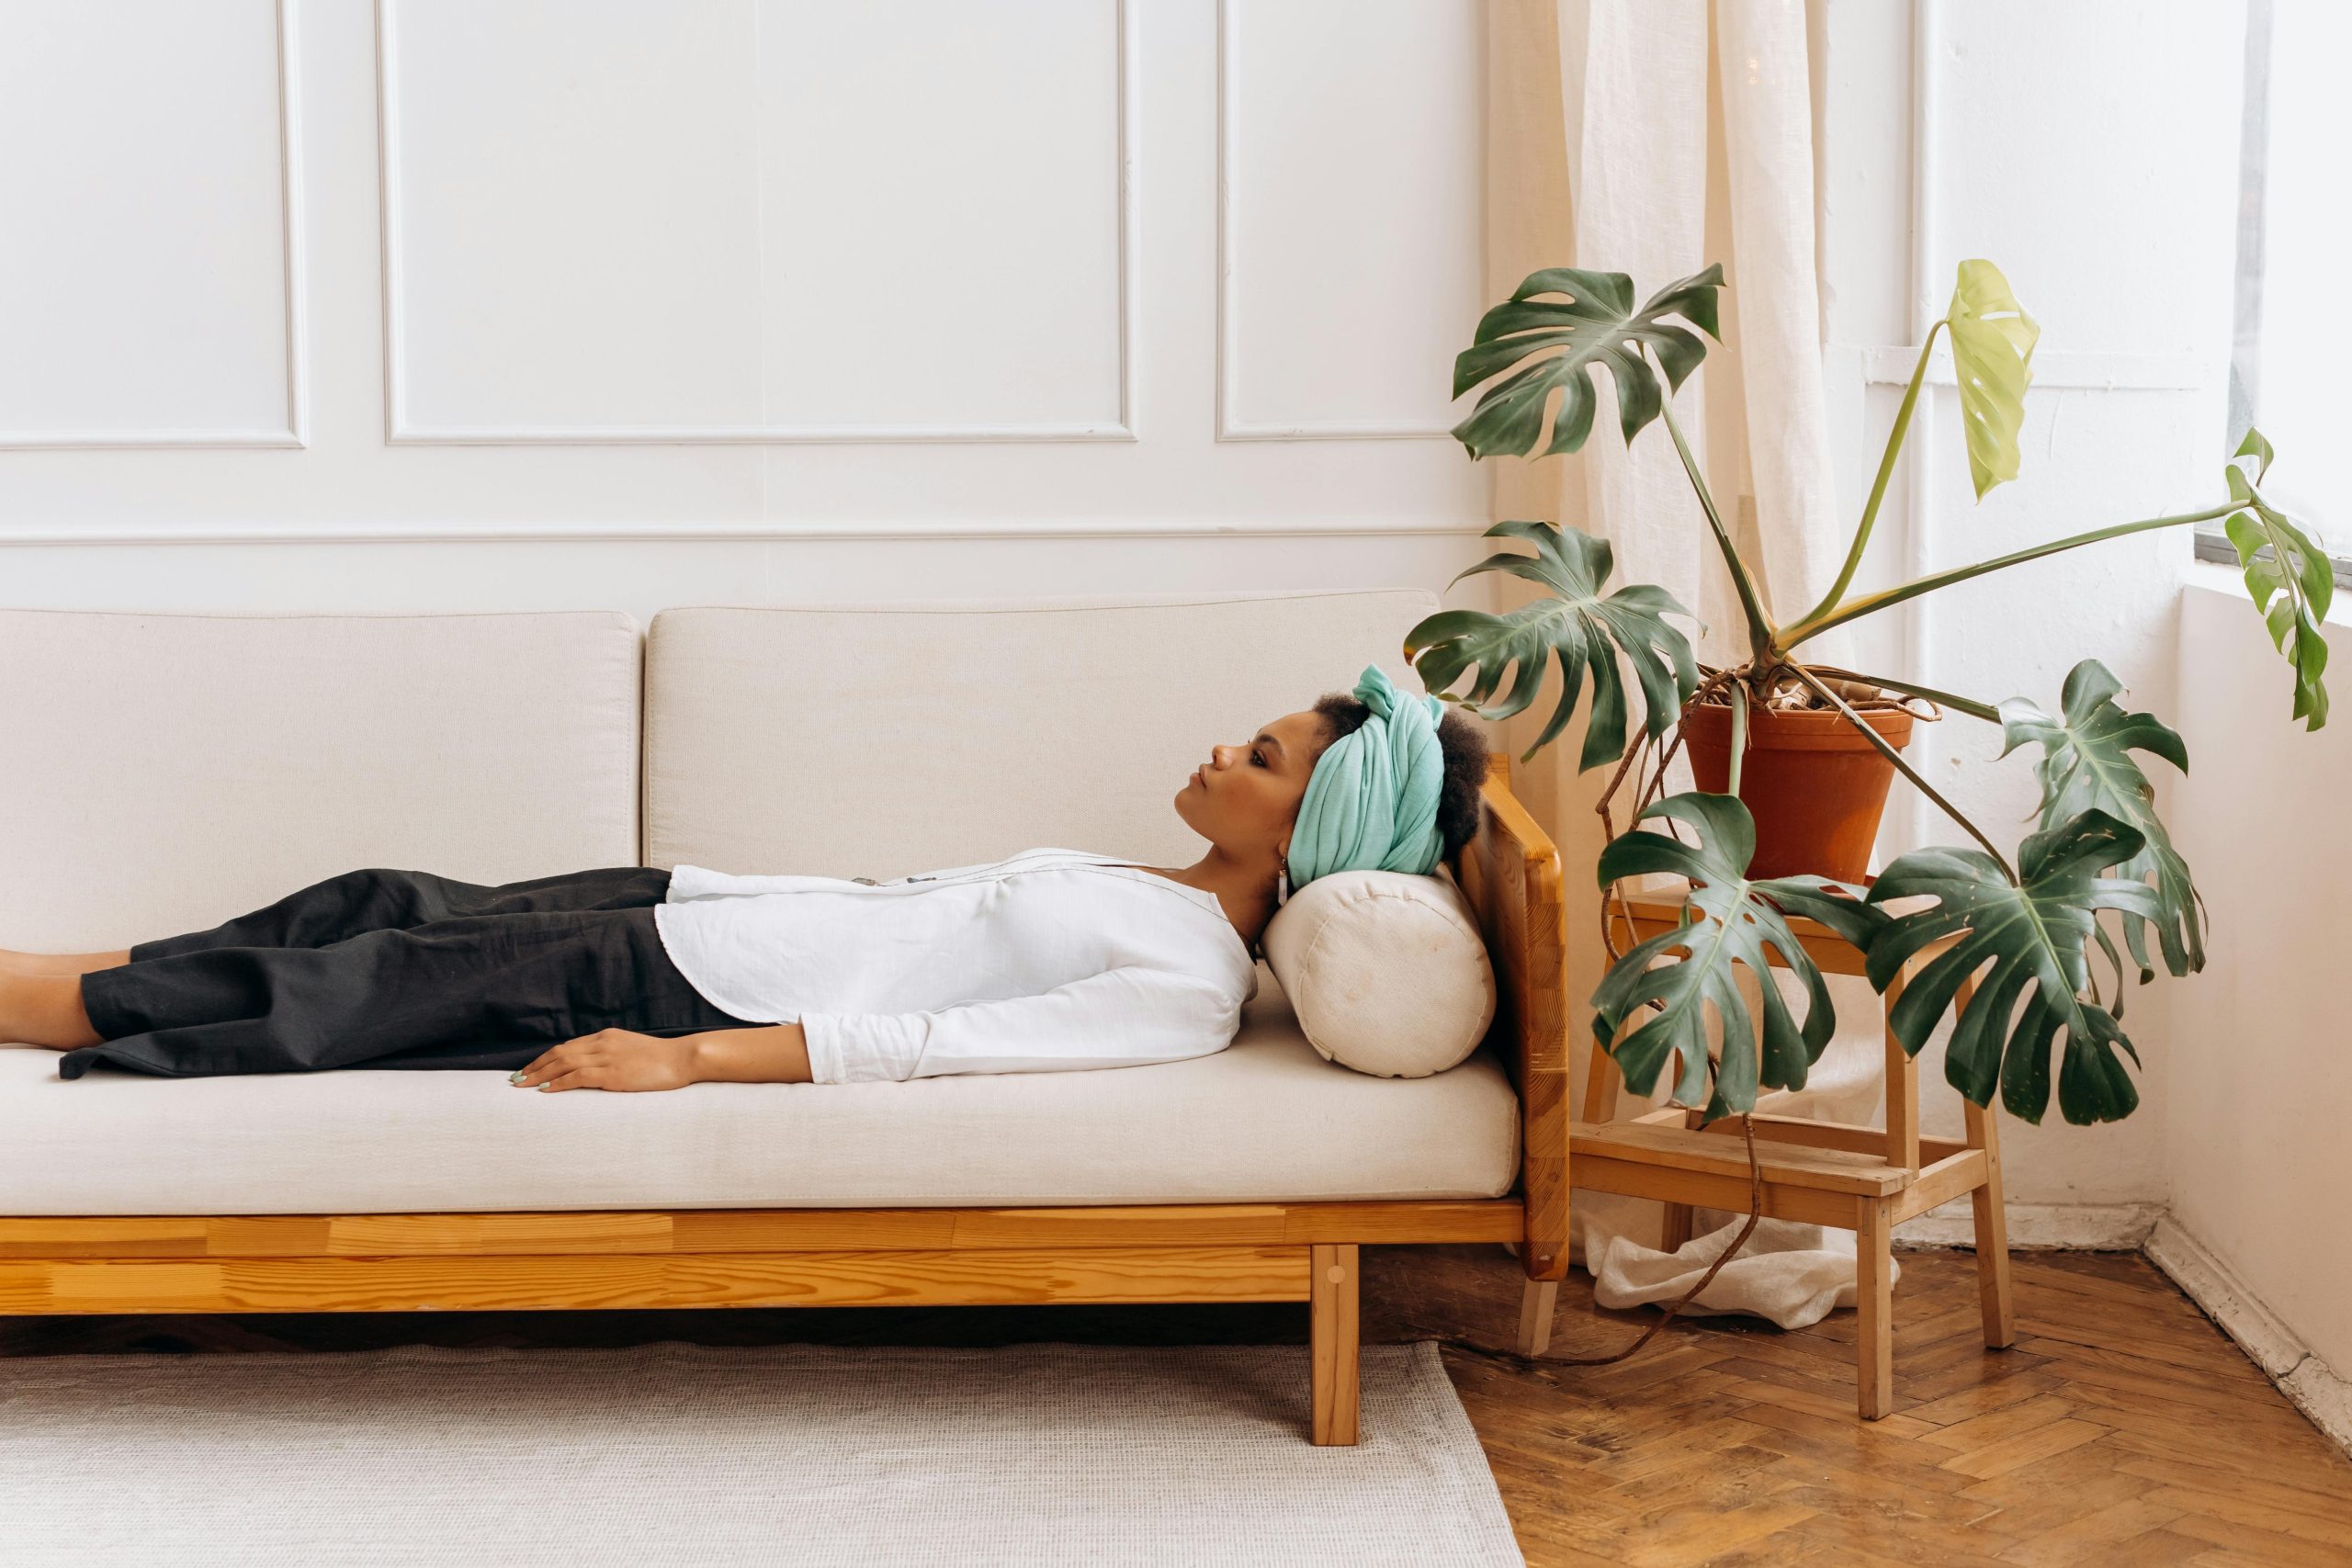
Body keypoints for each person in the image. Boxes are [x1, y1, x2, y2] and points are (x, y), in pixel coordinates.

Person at [2, 666, 1488, 1090]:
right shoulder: (1147, 884)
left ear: (1310, 837)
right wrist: (695, 896)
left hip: (688, 983)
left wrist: (690, 1063)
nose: (1227, 746)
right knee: (377, 895)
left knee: (354, 987)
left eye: (1271, 755)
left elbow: (934, 1042)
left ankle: (61, 1008)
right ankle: (88, 972)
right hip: (697, 905)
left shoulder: (1188, 990)